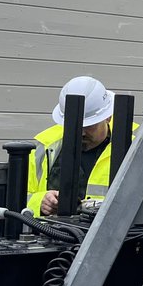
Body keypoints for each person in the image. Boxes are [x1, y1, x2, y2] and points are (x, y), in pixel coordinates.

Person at [29, 76, 122, 216]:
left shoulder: (132, 148)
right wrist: (40, 201)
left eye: (89, 125)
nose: (82, 132)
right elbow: (18, 198)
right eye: (75, 125)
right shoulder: (44, 147)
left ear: (108, 117)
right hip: (53, 234)